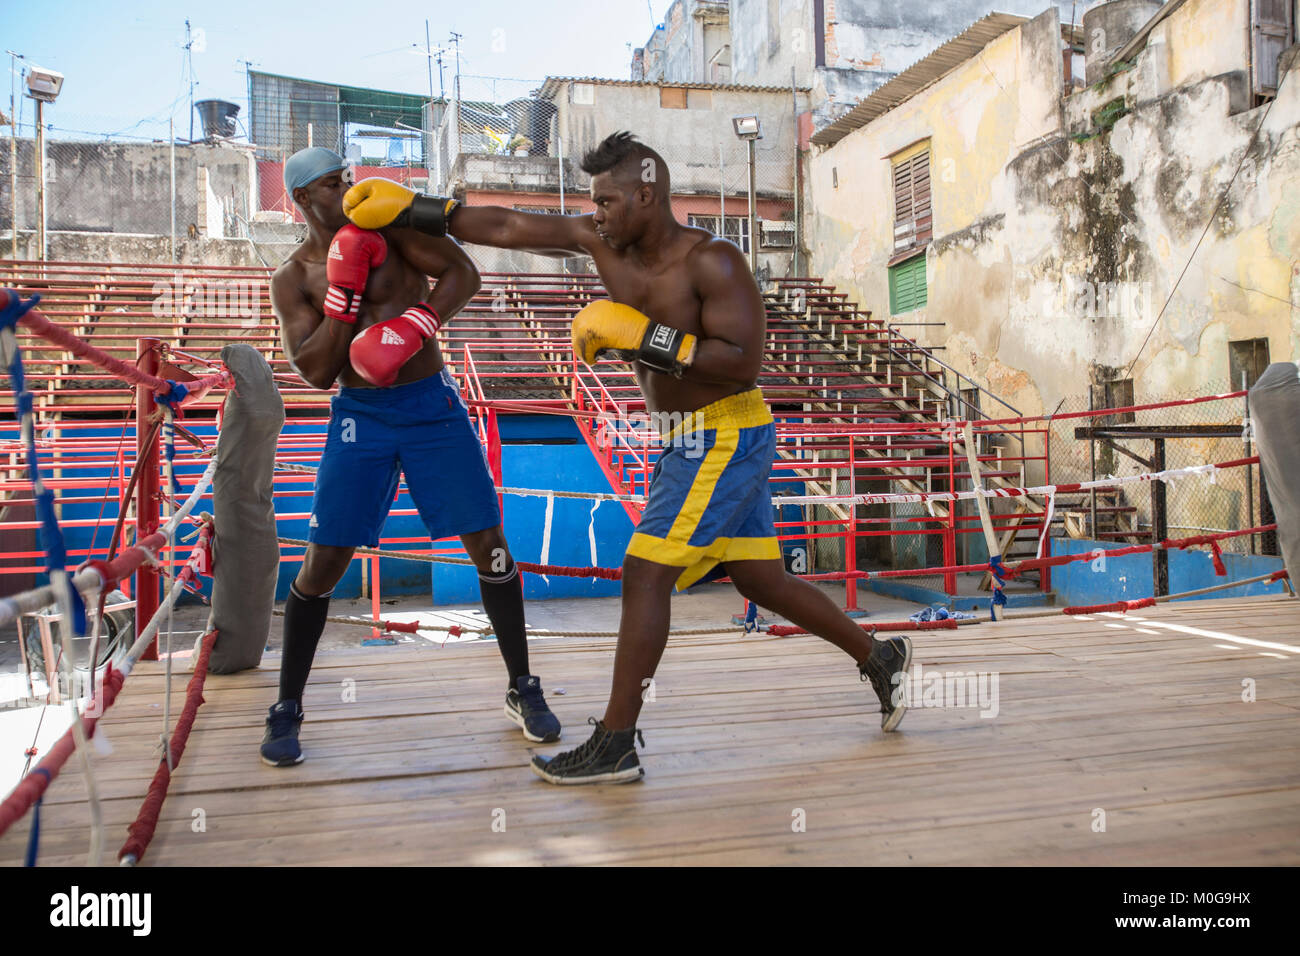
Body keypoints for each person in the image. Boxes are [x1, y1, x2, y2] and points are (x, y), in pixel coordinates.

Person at [342, 132, 912, 785]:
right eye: (595, 203)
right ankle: (880, 657)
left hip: (720, 430)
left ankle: (615, 741)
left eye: (609, 201)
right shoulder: (599, 241)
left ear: (647, 194)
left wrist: (645, 337)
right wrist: (415, 207)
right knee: (760, 580)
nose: (599, 213)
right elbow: (509, 223)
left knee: (645, 573)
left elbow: (741, 360)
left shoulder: (713, 262)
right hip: (686, 435)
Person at [261, 147, 560, 767]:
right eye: (328, 184)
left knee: (490, 544)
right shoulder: (292, 278)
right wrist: (343, 297)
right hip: (360, 415)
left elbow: (463, 274)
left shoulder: (391, 230)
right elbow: (316, 370)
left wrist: (419, 321)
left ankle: (522, 687)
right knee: (323, 561)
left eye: (345, 177)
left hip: (430, 404)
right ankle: (287, 706)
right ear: (300, 201)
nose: (344, 189)